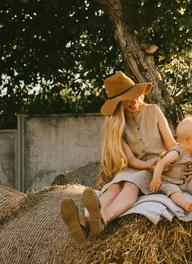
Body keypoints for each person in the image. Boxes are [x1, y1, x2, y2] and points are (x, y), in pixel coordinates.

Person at [60, 71, 177, 244]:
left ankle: (103, 218)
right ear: (118, 104)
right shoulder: (118, 126)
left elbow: (172, 145)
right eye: (127, 99)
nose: (134, 101)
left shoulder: (154, 111)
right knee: (114, 186)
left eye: (135, 95)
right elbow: (131, 160)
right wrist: (146, 167)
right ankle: (85, 222)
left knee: (130, 185)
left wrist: (163, 163)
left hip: (162, 164)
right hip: (138, 166)